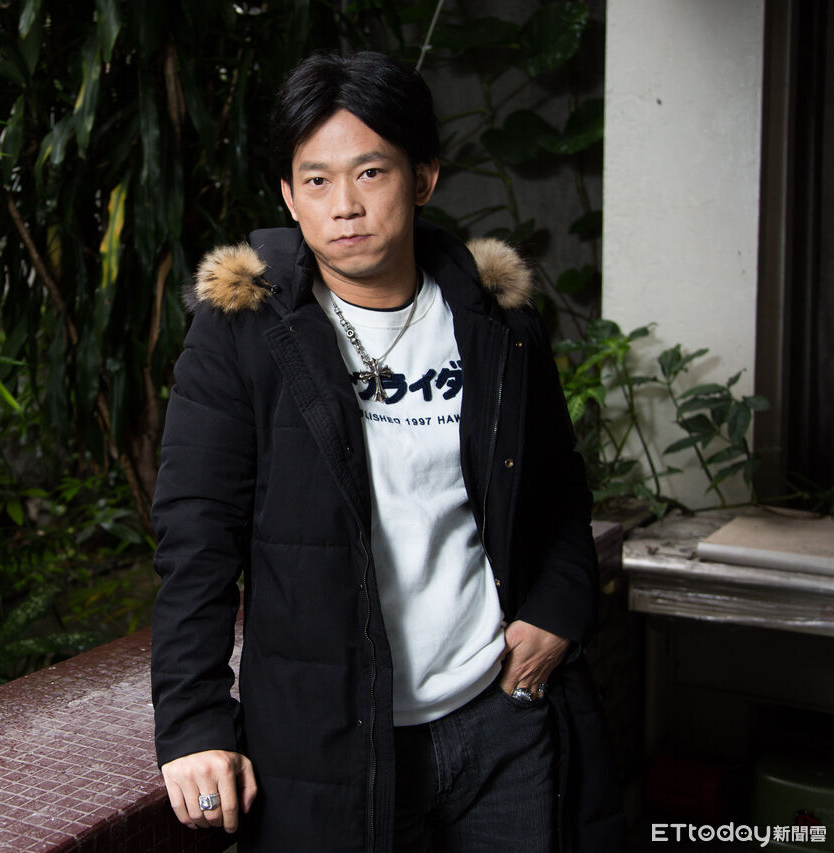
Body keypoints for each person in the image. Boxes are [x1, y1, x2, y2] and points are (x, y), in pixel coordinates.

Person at [149, 51, 624, 852]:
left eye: (370, 172)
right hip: (331, 742)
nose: (345, 205)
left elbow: (557, 491)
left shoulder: (497, 323)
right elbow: (196, 536)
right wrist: (194, 720)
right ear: (288, 196)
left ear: (423, 177)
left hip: (501, 722)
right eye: (316, 180)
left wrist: (558, 607)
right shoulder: (244, 335)